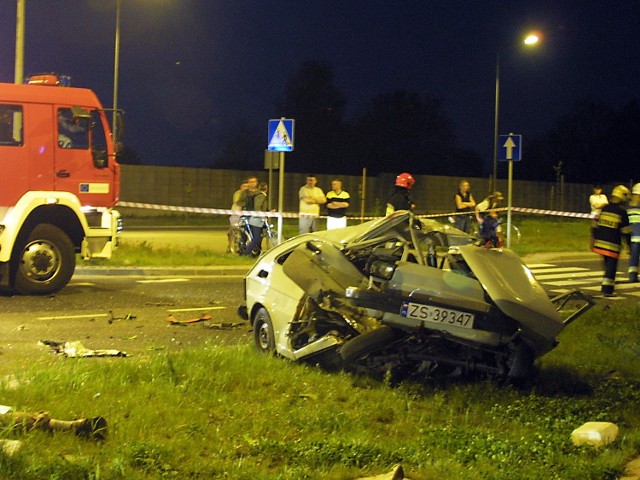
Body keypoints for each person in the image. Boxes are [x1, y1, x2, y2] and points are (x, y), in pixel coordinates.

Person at [592, 184, 631, 297]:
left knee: (607, 266)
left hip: (600, 243)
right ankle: (607, 290)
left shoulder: (605, 208)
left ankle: (607, 287)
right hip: (612, 244)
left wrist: (594, 239)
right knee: (611, 268)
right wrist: (628, 246)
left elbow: (595, 225)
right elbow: (626, 232)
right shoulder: (621, 212)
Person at [245, 181, 269, 257]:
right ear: (266, 188)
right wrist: (262, 215)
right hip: (256, 220)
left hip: (257, 219)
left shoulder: (258, 195)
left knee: (259, 237)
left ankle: (256, 252)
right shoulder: (261, 196)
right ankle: (246, 252)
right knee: (256, 238)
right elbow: (257, 207)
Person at [627, 183, 640, 283]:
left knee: (634, 258)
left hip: (632, 238)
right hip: (637, 237)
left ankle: (632, 276)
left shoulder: (628, 208)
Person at [589, 184, 608, 248]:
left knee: (602, 231)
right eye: (596, 189)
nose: (598, 190)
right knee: (594, 230)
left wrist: (601, 205)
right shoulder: (592, 197)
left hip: (602, 215)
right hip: (594, 215)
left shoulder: (603, 196)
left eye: (599, 189)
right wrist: (602, 204)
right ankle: (592, 246)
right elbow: (596, 206)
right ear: (594, 190)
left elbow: (606, 204)